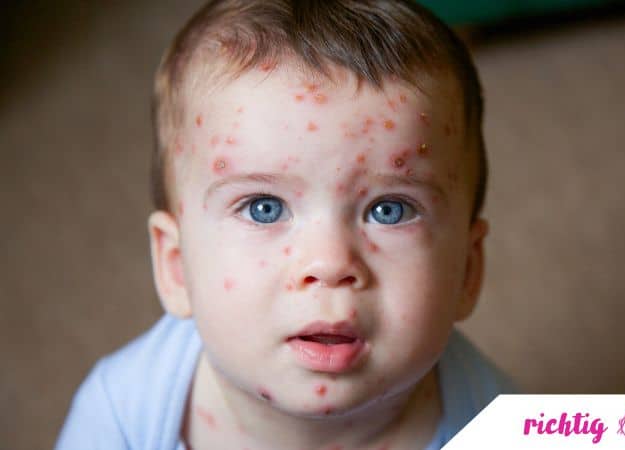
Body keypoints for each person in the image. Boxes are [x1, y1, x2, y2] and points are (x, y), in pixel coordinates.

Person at [56, 1, 515, 448]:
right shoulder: (120, 414)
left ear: (468, 272)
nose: (330, 264)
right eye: (264, 208)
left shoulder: (505, 427)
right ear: (176, 266)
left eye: (389, 209)